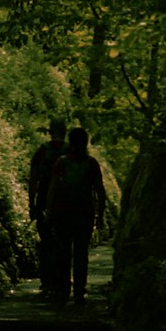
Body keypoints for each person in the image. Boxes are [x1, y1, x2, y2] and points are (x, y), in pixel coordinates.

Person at [46, 126, 109, 306]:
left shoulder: (62, 162)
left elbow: (53, 188)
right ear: (86, 142)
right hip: (84, 213)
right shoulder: (91, 163)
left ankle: (63, 290)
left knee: (63, 253)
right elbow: (100, 191)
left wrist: (49, 212)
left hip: (63, 212)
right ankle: (79, 291)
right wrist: (100, 216)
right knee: (81, 253)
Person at [26, 117, 68, 299]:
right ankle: (62, 282)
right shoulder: (72, 151)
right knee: (64, 243)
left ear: (50, 131)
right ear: (65, 132)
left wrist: (32, 203)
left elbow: (33, 180)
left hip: (43, 200)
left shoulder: (42, 151)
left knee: (46, 243)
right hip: (67, 203)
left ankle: (46, 282)